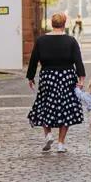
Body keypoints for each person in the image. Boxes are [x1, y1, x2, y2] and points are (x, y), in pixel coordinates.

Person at [27, 12, 85, 153]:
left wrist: (31, 76)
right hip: (66, 77)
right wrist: (81, 78)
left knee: (45, 104)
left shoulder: (41, 40)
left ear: (51, 24)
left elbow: (33, 59)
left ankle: (48, 134)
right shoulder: (71, 41)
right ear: (64, 24)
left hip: (48, 76)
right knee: (65, 107)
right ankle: (61, 143)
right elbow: (78, 60)